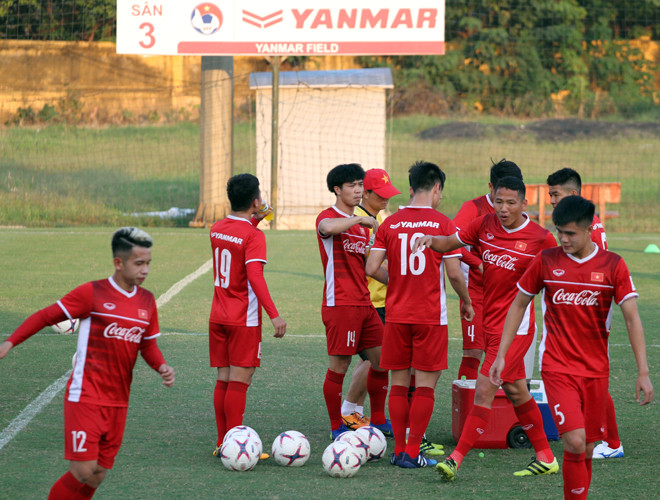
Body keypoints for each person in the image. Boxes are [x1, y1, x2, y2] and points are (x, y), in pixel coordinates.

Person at [490, 195, 653, 499]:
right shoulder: (546, 260)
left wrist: (643, 372)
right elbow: (519, 304)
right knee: (575, 441)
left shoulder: (613, 265)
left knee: (587, 447)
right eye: (559, 232)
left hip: (596, 371)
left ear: (590, 229)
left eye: (570, 233)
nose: (563, 239)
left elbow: (632, 319)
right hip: (557, 367)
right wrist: (502, 354)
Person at [0, 227, 175, 500]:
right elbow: (46, 316)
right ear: (119, 263)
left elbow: (148, 344)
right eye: (139, 263)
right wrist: (11, 342)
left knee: (97, 474)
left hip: (118, 402)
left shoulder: (147, 300)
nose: (145, 270)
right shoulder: (92, 293)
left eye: (148, 263)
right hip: (86, 396)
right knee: (83, 470)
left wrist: (161, 366)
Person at [413, 176, 559, 481]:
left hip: (516, 331)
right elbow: (450, 242)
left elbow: (557, 277)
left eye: (510, 203)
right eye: (498, 201)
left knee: (484, 390)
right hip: (489, 324)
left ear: (524, 203)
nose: (503, 208)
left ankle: (455, 459)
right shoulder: (484, 225)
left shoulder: (541, 239)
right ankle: (546, 457)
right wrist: (431, 240)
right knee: (517, 392)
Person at [366, 161, 474, 468]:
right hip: (430, 316)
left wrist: (396, 281)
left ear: (411, 188)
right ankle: (413, 452)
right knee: (425, 384)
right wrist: (467, 301)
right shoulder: (444, 224)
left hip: (396, 315)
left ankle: (399, 451)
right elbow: (454, 274)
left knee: (399, 383)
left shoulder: (389, 223)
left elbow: (371, 268)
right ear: (437, 188)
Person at [547, 167, 622, 460]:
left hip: (591, 313)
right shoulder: (583, 224)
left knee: (592, 376)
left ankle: (611, 442)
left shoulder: (589, 228)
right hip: (582, 311)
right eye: (550, 194)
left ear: (573, 194)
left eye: (556, 194)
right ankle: (591, 432)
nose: (552, 200)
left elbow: (595, 273)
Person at [209, 174, 287, 458]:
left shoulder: (217, 228)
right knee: (240, 379)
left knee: (224, 377)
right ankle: (234, 446)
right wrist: (274, 315)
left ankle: (223, 442)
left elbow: (236, 239)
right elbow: (254, 276)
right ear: (255, 201)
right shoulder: (254, 236)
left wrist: (255, 218)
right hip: (244, 318)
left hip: (218, 315)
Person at [316, 163, 391, 440]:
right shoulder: (329, 216)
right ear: (337, 189)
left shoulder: (364, 228)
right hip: (340, 304)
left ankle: (379, 420)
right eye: (352, 186)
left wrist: (399, 283)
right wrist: (358, 220)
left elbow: (371, 268)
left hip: (364, 304)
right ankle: (336, 426)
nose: (358, 190)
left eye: (360, 185)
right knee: (339, 367)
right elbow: (326, 227)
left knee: (383, 361)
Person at [341, 168, 401, 433]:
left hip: (382, 300)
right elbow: (369, 263)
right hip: (369, 301)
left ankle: (356, 411)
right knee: (375, 360)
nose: (386, 199)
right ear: (365, 193)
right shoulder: (358, 220)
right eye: (381, 195)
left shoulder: (379, 218)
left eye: (388, 194)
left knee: (371, 360)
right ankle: (349, 410)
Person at [453, 159, 523, 380]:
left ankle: (501, 400)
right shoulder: (473, 208)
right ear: (491, 187)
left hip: (507, 297)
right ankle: (468, 401)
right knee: (473, 352)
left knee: (505, 354)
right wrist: (478, 264)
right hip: (476, 294)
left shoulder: (518, 211)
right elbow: (451, 242)